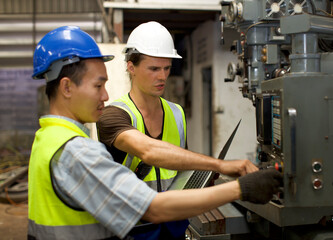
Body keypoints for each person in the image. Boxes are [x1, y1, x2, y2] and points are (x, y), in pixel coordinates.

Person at [28, 25, 283, 240]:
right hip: (137, 227)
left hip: (173, 222)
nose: (105, 95)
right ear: (67, 87)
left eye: (167, 68)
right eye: (98, 85)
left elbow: (178, 163)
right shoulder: (79, 149)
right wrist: (240, 186)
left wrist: (206, 176)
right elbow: (149, 166)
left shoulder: (48, 138)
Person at [97, 21, 258, 193]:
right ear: (131, 67)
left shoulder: (176, 112)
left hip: (173, 214)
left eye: (167, 68)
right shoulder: (112, 116)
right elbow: (149, 151)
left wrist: (203, 176)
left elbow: (180, 168)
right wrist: (220, 165)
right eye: (154, 69)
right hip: (132, 217)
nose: (162, 76)